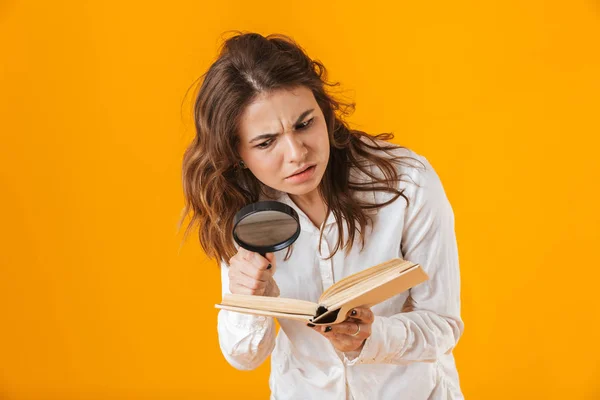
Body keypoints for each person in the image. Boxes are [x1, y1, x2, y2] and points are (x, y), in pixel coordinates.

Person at [180, 32, 464, 400]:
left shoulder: (407, 182)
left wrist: (370, 338)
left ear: (325, 111)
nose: (296, 153)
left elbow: (442, 324)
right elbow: (244, 356)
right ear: (238, 154)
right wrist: (250, 296)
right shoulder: (244, 208)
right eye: (266, 143)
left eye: (304, 124)